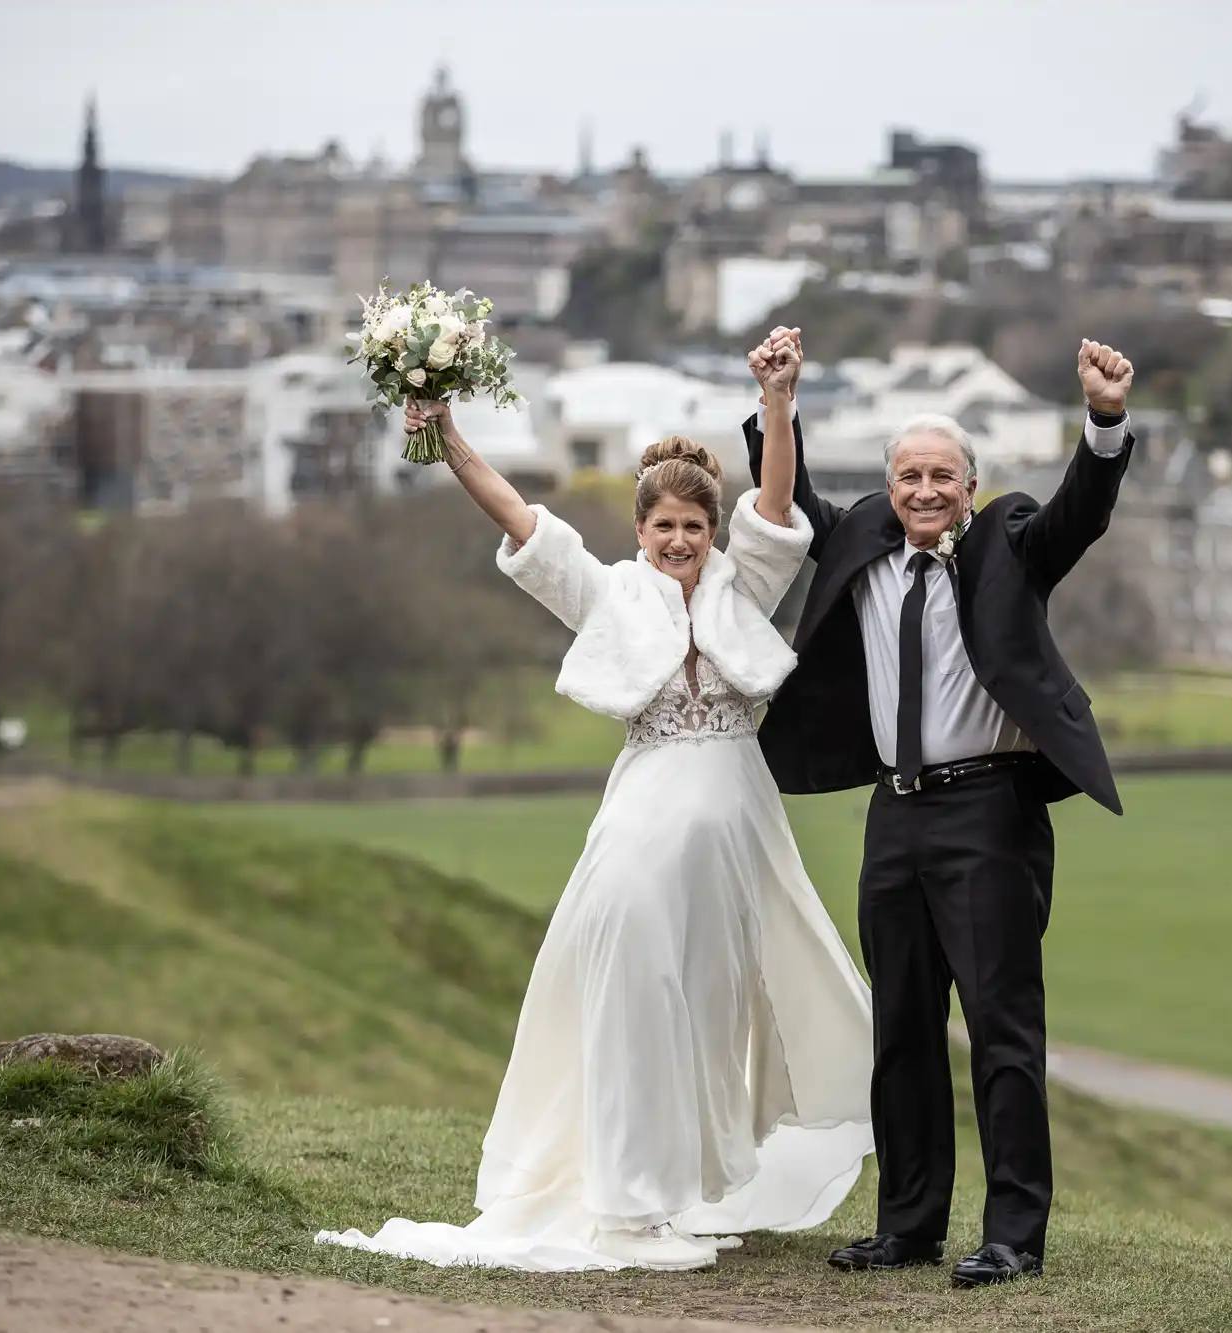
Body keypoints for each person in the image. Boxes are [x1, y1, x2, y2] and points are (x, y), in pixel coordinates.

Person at [316, 363, 873, 1274]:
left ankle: (682, 1193)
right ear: (641, 530)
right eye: (665, 527)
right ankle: (623, 1202)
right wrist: (447, 434)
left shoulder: (745, 585)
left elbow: (777, 503)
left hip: (736, 832)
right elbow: (522, 521)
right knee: (636, 989)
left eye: (696, 526)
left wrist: (780, 400)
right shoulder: (608, 595)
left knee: (713, 1005)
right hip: (644, 826)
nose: (682, 540)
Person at [741, 326, 1136, 1288]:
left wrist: (1105, 419)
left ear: (971, 484)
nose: (924, 491)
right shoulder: (862, 541)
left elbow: (1081, 514)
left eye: (943, 477)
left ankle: (1013, 1236)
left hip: (989, 814)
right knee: (903, 1027)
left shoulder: (1011, 543)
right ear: (890, 484)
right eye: (909, 475)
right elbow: (780, 492)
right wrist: (780, 400)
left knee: (1003, 1029)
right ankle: (908, 1224)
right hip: (896, 815)